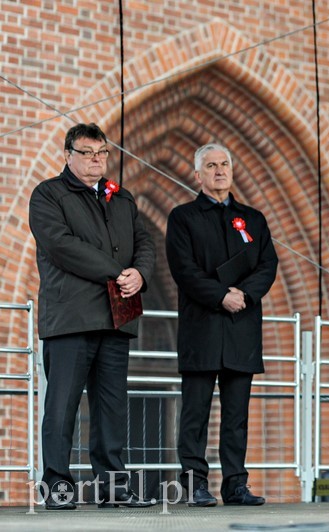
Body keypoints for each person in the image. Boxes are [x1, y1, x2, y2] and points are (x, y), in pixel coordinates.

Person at [29, 122, 156, 509]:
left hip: (116, 319)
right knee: (62, 407)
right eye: (86, 153)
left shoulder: (122, 198)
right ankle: (58, 489)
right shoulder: (48, 194)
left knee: (113, 409)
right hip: (70, 319)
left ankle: (114, 487)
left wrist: (140, 273)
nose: (96, 161)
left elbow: (146, 240)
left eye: (101, 153)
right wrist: (115, 270)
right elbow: (62, 245)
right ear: (68, 155)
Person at [165, 143, 278, 507]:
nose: (219, 171)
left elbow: (267, 265)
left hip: (241, 327)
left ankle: (235, 485)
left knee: (236, 416)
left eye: (225, 164)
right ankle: (195, 483)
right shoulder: (183, 218)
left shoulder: (253, 219)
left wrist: (243, 294)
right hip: (203, 327)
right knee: (195, 414)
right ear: (197, 176)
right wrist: (220, 296)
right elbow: (184, 270)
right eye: (211, 165)